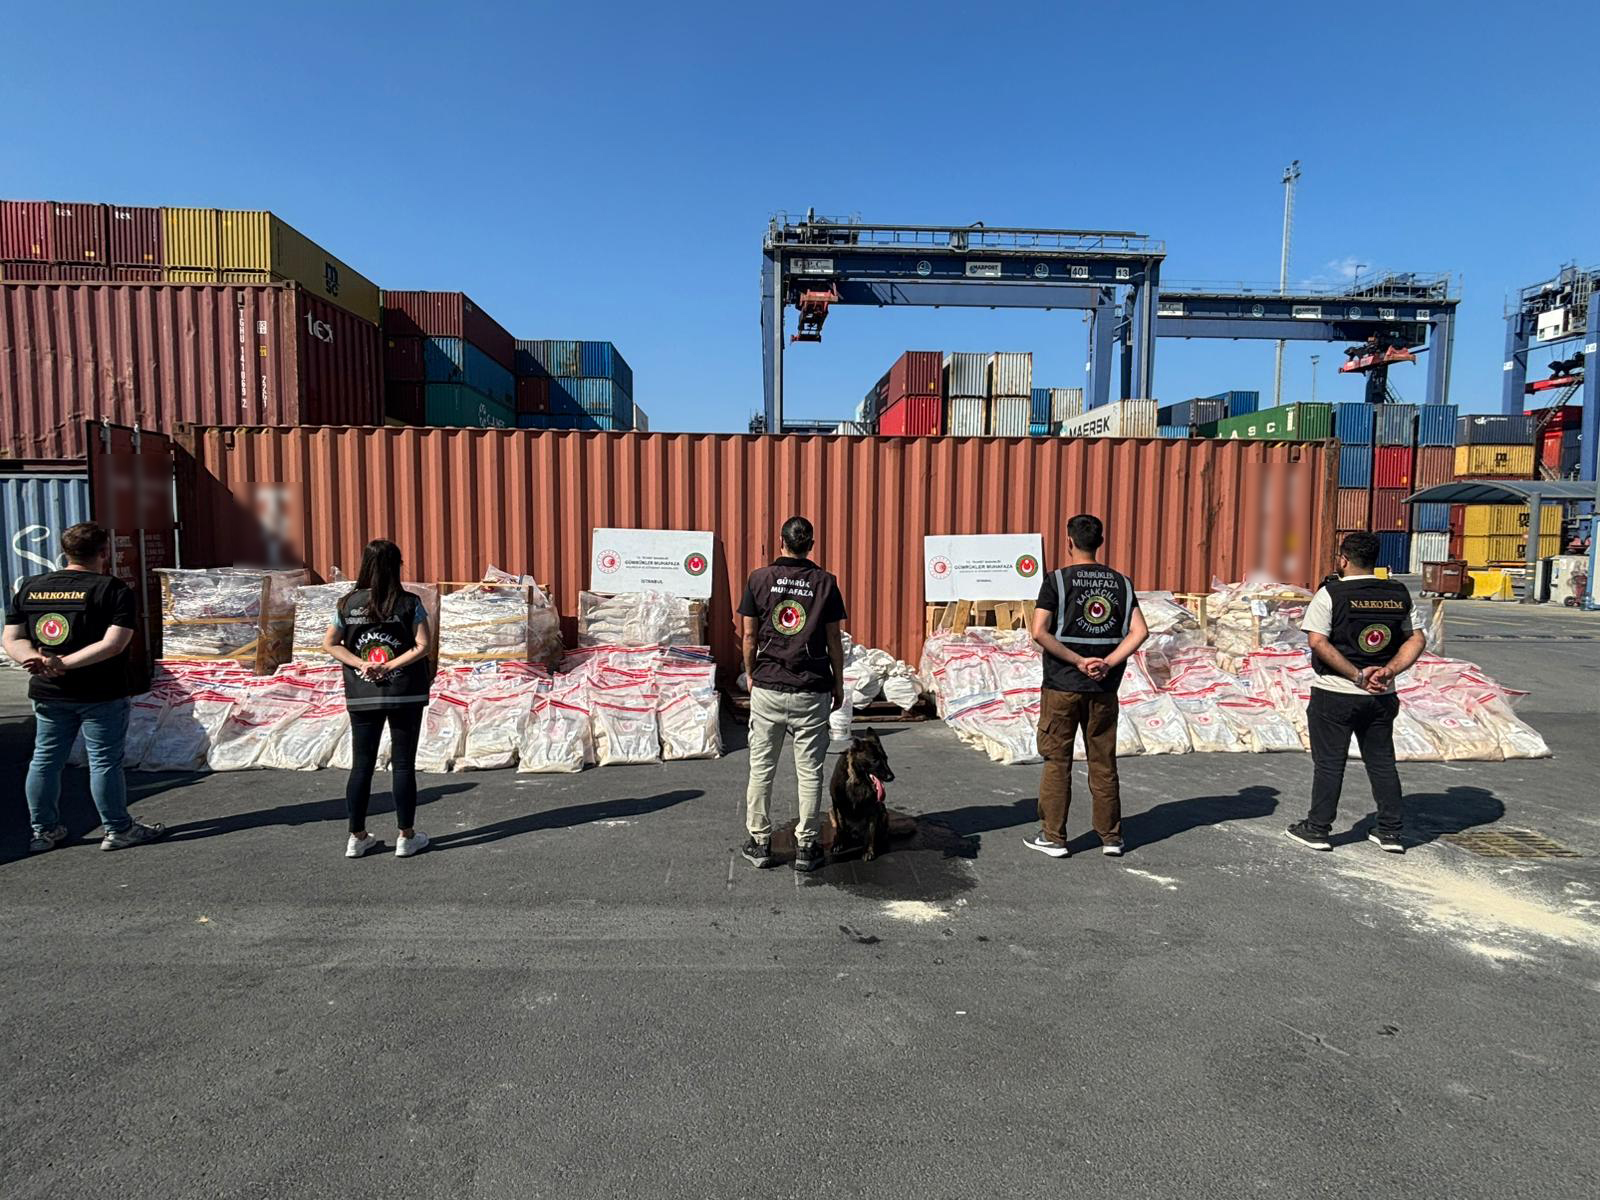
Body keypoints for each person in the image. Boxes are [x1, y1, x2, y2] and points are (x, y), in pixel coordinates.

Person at [3, 521, 166, 853]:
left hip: (49, 692)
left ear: (65, 552)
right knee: (104, 761)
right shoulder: (113, 589)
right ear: (105, 552)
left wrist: (35, 660)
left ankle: (43, 831)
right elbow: (113, 645)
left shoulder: (31, 587)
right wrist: (63, 664)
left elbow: (11, 638)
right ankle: (118, 829)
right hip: (100, 692)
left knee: (45, 760)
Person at [1287, 531, 1426, 854]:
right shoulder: (1398, 592)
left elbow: (1317, 642)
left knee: (1329, 763)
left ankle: (1318, 828)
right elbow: (1417, 638)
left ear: (1343, 559)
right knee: (1382, 762)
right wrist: (1389, 671)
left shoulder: (1330, 594)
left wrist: (1356, 676)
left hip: (1336, 692)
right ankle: (1390, 832)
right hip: (1382, 695)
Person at [1026, 514, 1149, 859]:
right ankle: (1111, 837)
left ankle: (1054, 837)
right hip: (1104, 688)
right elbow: (1140, 631)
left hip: (1062, 685)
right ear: (1101, 542)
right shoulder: (1122, 583)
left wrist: (1078, 661)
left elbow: (1039, 631)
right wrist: (1108, 661)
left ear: (1069, 542)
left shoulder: (1056, 581)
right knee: (1103, 761)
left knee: (1057, 761)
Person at [737, 516, 847, 873]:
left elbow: (749, 636)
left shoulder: (759, 579)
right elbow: (833, 639)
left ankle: (760, 842)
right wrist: (839, 683)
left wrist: (751, 674)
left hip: (768, 686)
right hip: (811, 689)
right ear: (810, 546)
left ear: (780, 542)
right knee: (810, 771)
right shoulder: (825, 583)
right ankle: (806, 846)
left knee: (761, 768)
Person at [322, 539, 434, 859]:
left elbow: (330, 643)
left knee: (362, 765)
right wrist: (390, 666)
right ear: (396, 566)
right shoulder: (409, 603)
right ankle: (406, 836)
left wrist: (362, 665)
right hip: (405, 693)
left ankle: (357, 836)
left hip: (362, 693)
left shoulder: (347, 604)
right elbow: (423, 645)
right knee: (403, 764)